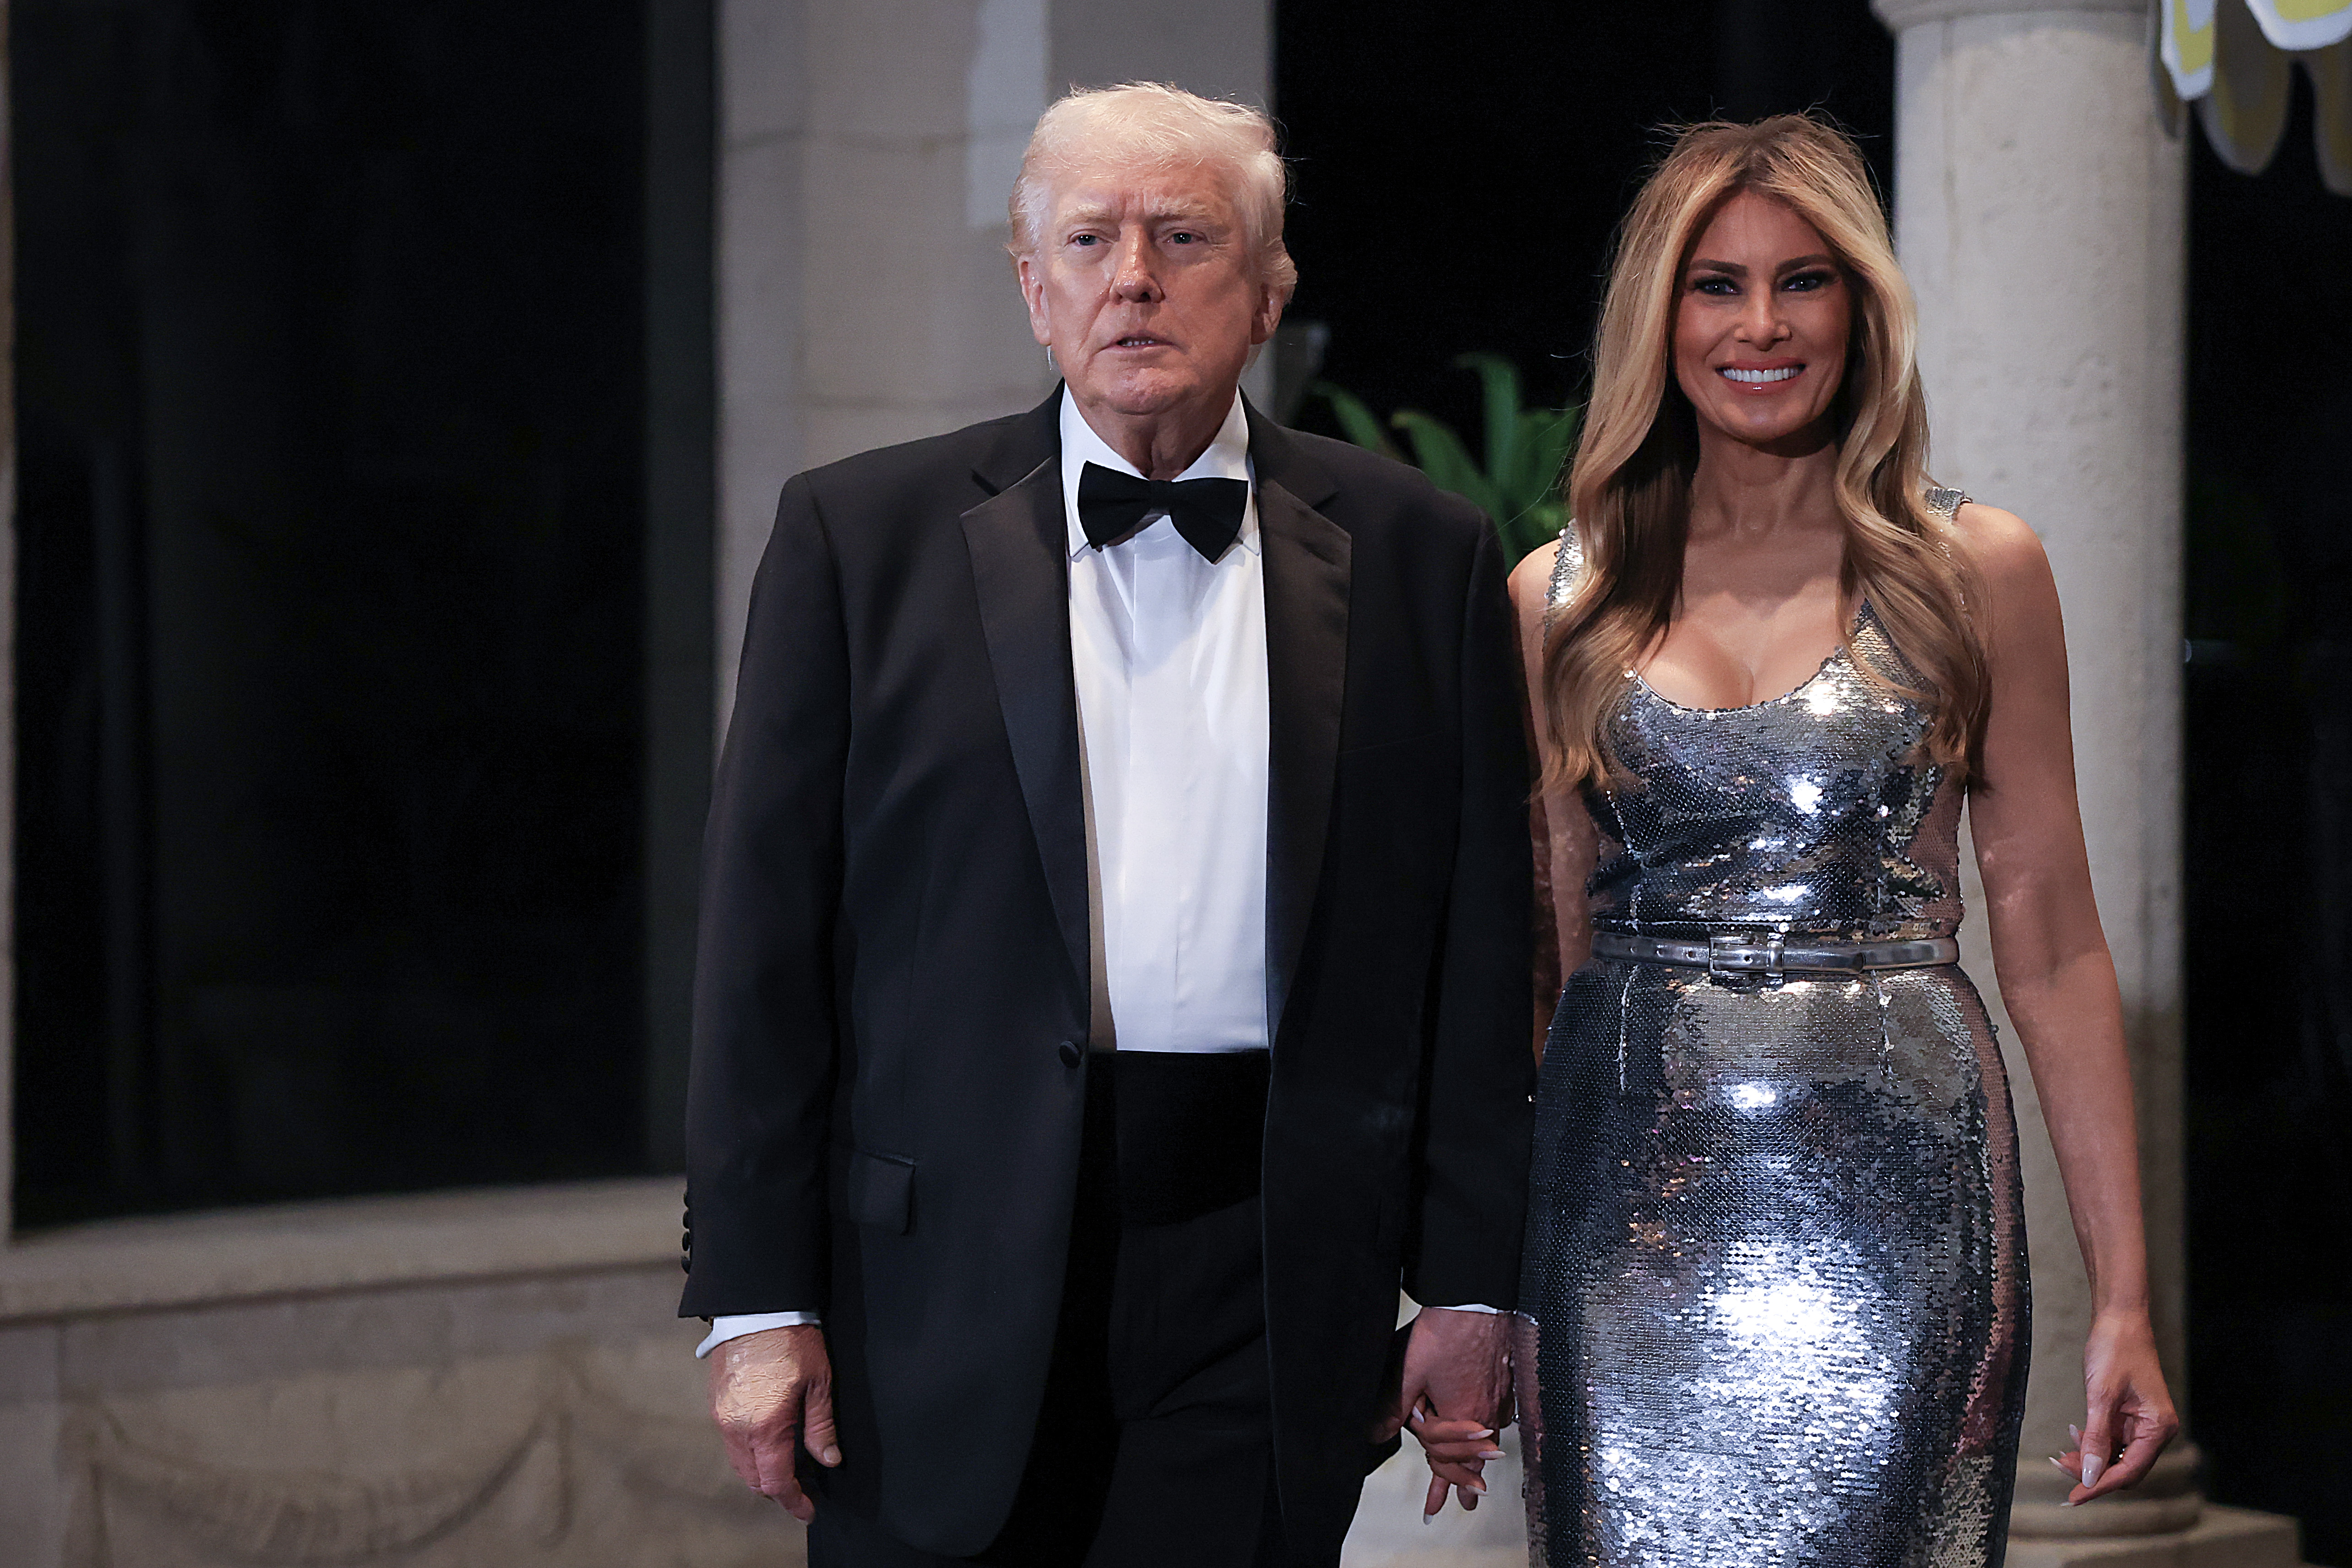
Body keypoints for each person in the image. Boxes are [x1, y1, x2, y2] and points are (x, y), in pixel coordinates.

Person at [679, 82, 1536, 1568]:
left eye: (1184, 235)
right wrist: (758, 1303)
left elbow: (1475, 947)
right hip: (933, 1281)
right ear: (1034, 287)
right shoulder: (856, 537)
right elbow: (762, 943)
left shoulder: (1423, 554)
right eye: (1089, 239)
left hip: (1265, 1270)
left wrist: (1470, 1281)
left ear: (1269, 292)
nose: (1132, 275)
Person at [1410, 116, 2179, 1562]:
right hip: (1618, 1217)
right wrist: (1484, 1289)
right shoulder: (1552, 600)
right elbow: (1543, 966)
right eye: (1717, 284)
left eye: (1803, 281)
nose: (1761, 325)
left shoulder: (1977, 572)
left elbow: (2059, 944)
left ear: (1860, 310)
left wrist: (2127, 1298)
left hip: (1904, 1212)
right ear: (1660, 315)